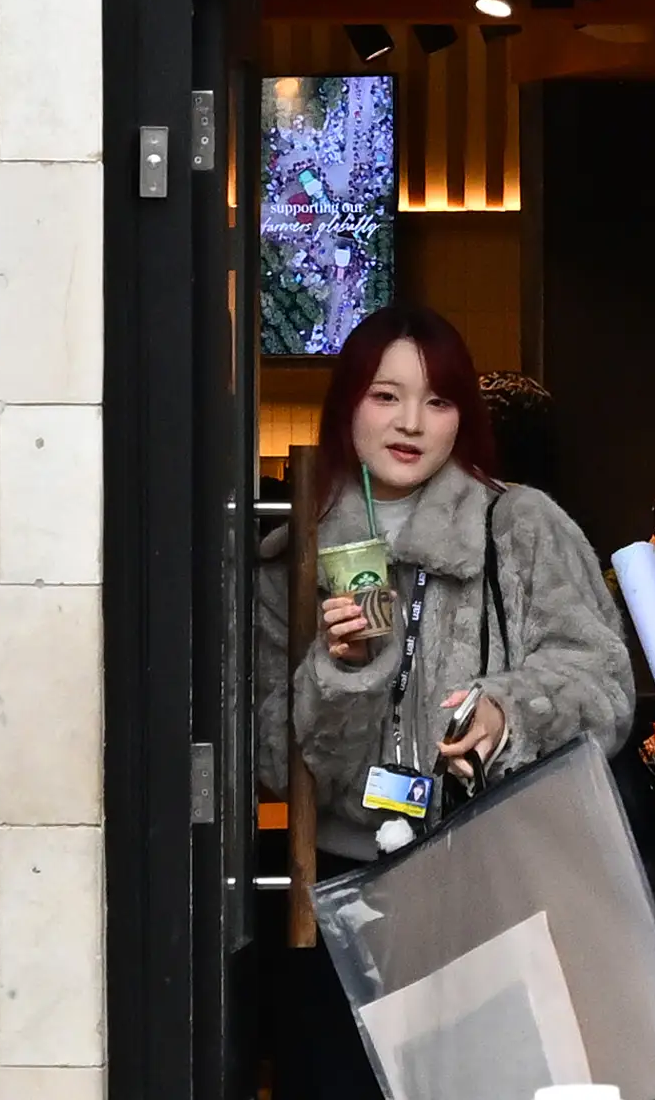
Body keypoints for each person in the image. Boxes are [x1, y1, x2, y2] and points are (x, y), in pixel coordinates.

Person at [256, 308, 635, 1100]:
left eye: (437, 401)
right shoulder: (290, 558)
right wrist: (342, 670)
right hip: (340, 901)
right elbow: (266, 758)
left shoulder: (519, 525)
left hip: (492, 891)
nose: (409, 423)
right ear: (346, 404)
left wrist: (508, 713)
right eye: (385, 396)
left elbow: (603, 683)